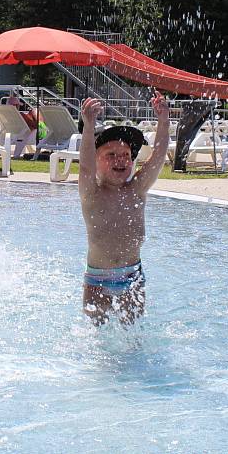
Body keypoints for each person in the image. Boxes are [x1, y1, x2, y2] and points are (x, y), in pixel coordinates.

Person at [78, 92, 170, 325]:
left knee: (133, 336)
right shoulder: (92, 193)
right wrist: (88, 127)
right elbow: (85, 169)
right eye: (111, 155)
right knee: (96, 338)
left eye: (126, 155)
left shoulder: (137, 189)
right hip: (97, 280)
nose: (120, 160)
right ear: (97, 160)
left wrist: (164, 120)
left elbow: (158, 156)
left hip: (132, 276)